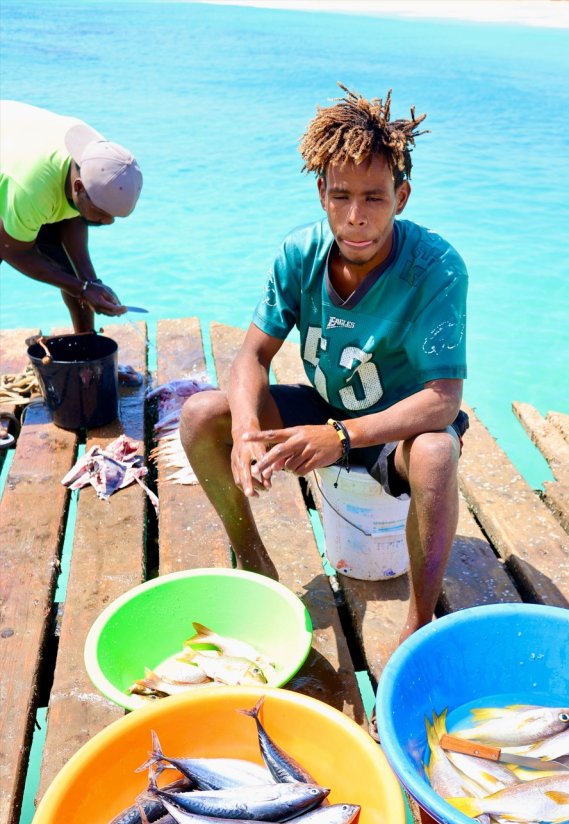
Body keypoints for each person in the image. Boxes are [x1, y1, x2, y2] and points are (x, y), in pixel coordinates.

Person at [180, 84, 468, 648]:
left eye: (375, 198)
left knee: (437, 451)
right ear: (321, 193)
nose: (356, 217)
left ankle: (421, 620)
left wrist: (342, 436)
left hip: (399, 427)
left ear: (401, 197)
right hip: (331, 406)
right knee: (199, 415)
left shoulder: (437, 268)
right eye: (341, 197)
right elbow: (250, 358)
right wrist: (244, 433)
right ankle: (257, 563)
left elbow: (443, 399)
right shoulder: (299, 254)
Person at [0, 100, 143, 335]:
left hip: (21, 155)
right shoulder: (31, 190)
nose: (108, 222)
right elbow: (12, 249)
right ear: (78, 188)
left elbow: (72, 215)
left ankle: (85, 346)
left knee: (75, 278)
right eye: (103, 213)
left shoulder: (103, 159)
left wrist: (89, 282)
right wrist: (81, 287)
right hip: (14, 171)